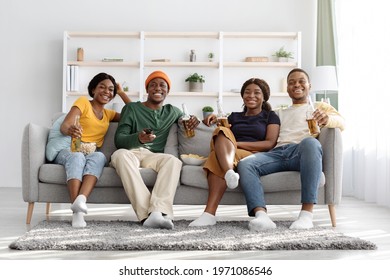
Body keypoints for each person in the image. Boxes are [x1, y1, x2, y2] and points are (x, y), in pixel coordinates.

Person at [237, 68, 345, 231]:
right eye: (291, 82)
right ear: (287, 88)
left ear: (309, 85)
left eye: (301, 81)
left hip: (302, 152)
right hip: (276, 154)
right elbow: (254, 126)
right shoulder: (277, 113)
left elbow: (341, 122)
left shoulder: (319, 106)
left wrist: (327, 119)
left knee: (310, 142)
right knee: (245, 164)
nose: (297, 85)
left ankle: (306, 215)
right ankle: (262, 216)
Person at [111, 70, 200, 230]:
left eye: (162, 85)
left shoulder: (172, 111)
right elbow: (119, 140)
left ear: (168, 91)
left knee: (173, 161)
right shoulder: (131, 108)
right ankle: (150, 215)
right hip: (130, 152)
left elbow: (187, 119)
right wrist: (139, 138)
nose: (157, 88)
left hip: (153, 156)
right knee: (120, 155)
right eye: (153, 85)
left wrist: (195, 119)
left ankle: (157, 211)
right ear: (147, 90)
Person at [189, 78, 280, 227]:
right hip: (231, 155)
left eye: (257, 92)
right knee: (221, 130)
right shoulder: (233, 116)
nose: (251, 96)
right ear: (242, 96)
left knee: (215, 156)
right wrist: (213, 118)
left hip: (254, 155)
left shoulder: (270, 116)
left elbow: (269, 143)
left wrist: (234, 144)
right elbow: (222, 133)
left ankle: (209, 214)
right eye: (247, 92)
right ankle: (229, 172)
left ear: (264, 97)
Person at [48, 72, 131, 228]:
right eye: (102, 87)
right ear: (93, 89)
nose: (107, 91)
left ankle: (81, 201)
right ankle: (77, 213)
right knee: (77, 157)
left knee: (100, 156)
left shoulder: (108, 114)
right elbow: (65, 125)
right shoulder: (83, 103)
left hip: (91, 152)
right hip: (69, 149)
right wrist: (71, 130)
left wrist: (121, 92)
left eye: (111, 89)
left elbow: (133, 112)